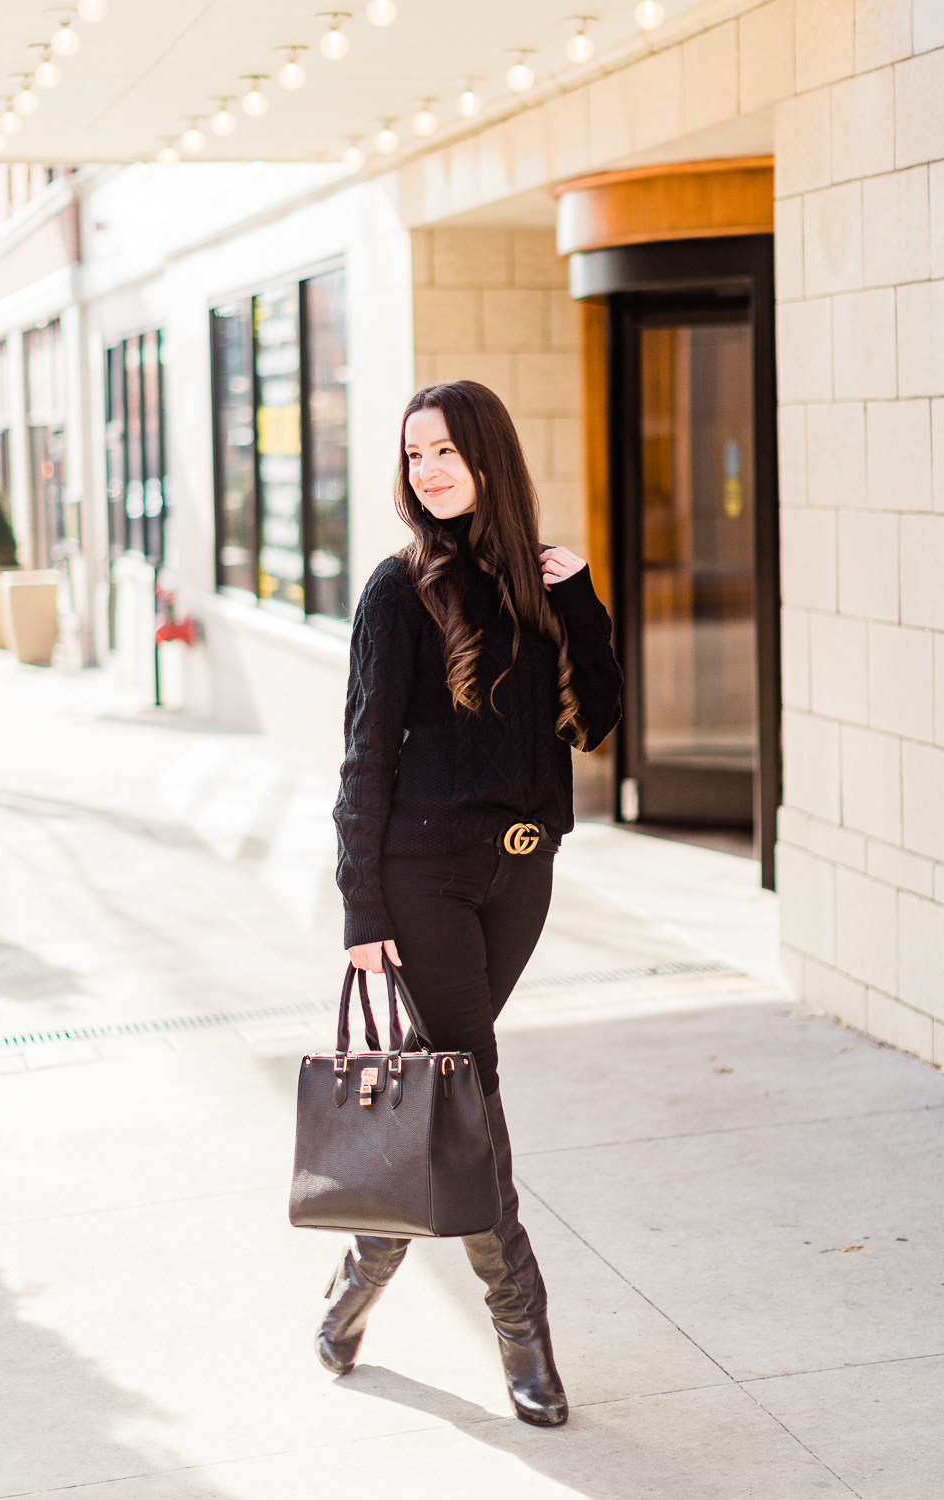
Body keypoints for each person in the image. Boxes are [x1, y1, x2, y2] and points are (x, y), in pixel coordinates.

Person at [322, 379, 622, 1427]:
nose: (429, 471)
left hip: (521, 872)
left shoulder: (537, 582)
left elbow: (596, 726)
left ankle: (365, 1264)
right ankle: (521, 1329)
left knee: (446, 1096)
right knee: (474, 1088)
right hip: (424, 874)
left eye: (445, 450)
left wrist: (579, 597)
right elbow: (365, 754)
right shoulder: (398, 590)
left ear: (489, 457)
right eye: (414, 456)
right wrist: (363, 904)